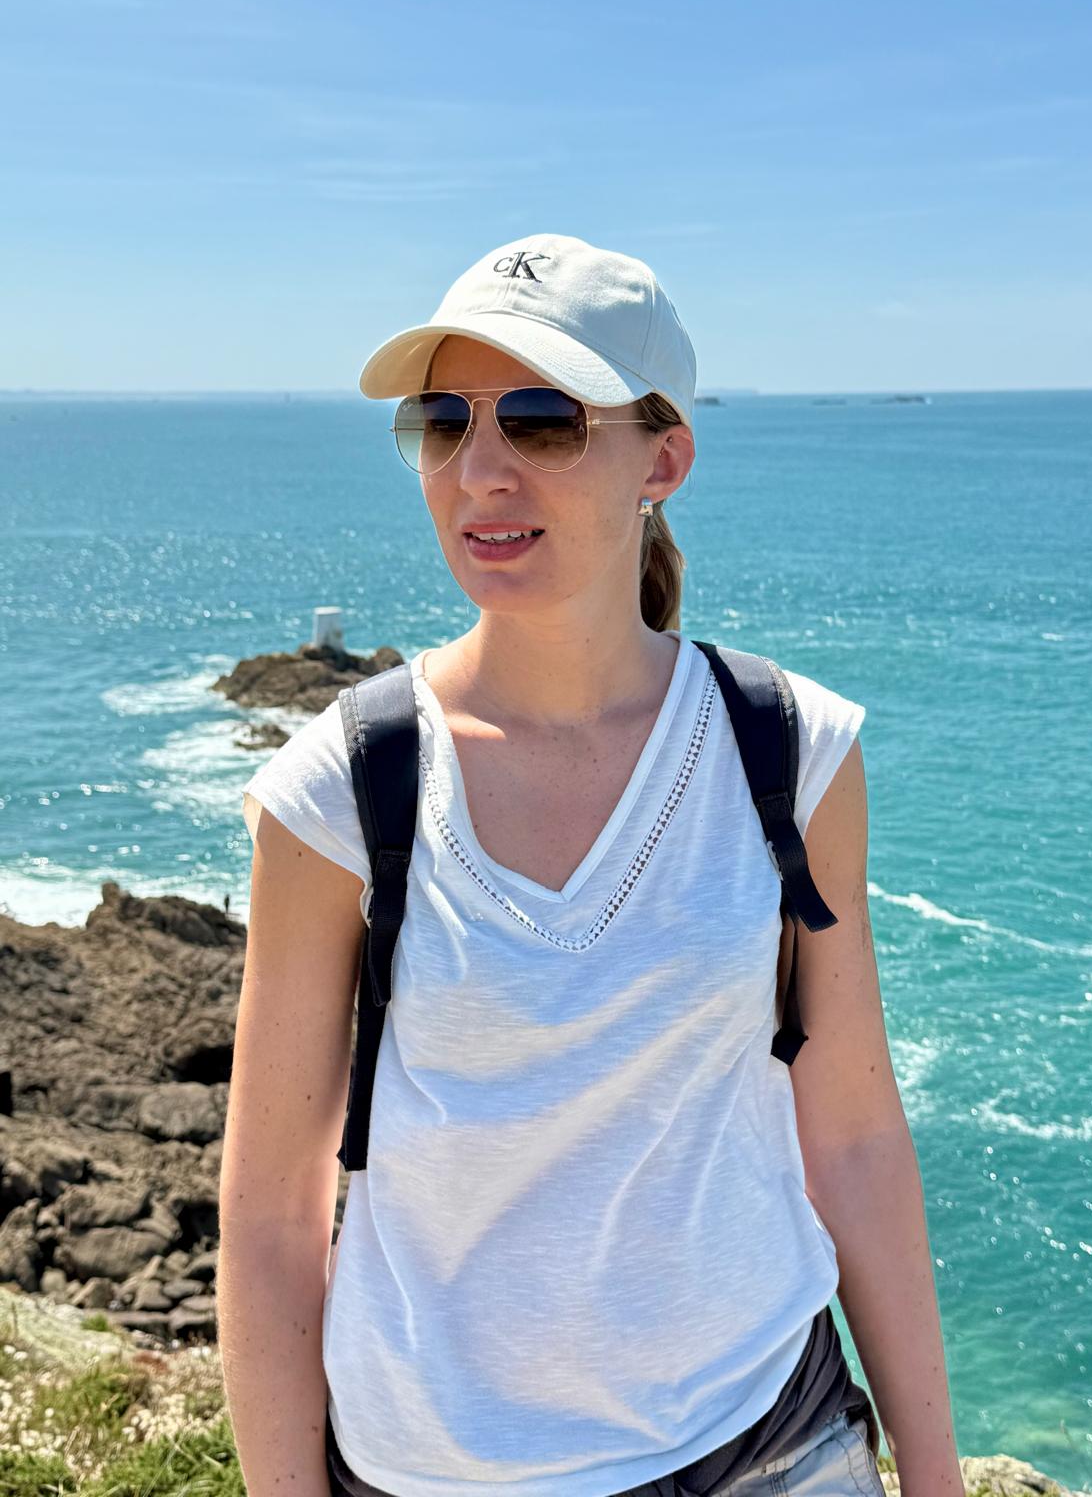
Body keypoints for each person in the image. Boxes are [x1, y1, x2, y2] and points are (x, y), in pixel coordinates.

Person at [218, 234, 963, 1497]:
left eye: (543, 421)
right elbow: (273, 1214)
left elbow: (853, 1140)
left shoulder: (791, 750)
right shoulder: (339, 790)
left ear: (662, 461)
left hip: (774, 1446)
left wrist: (935, 1477)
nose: (479, 470)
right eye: (442, 422)